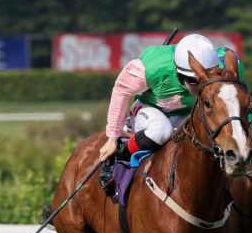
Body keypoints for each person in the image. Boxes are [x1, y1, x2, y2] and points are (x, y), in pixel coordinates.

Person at [98, 34, 243, 192]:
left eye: (205, 80)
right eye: (194, 81)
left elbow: (239, 104)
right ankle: (120, 155)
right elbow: (121, 90)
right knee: (161, 131)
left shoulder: (227, 70)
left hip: (187, 113)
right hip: (148, 109)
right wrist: (112, 137)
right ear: (179, 74)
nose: (200, 87)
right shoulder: (151, 68)